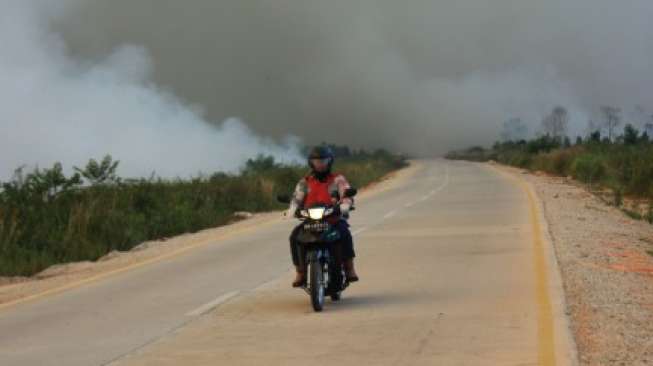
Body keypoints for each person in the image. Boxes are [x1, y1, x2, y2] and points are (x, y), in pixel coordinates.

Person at [286, 146, 358, 287]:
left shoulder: (338, 179)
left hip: (333, 219)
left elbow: (346, 193)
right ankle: (300, 272)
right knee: (294, 236)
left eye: (323, 161)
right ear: (311, 163)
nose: (320, 164)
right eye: (317, 161)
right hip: (310, 220)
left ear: (330, 161)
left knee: (345, 233)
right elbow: (296, 198)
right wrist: (292, 208)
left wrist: (345, 204)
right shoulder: (304, 182)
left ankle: (350, 269)